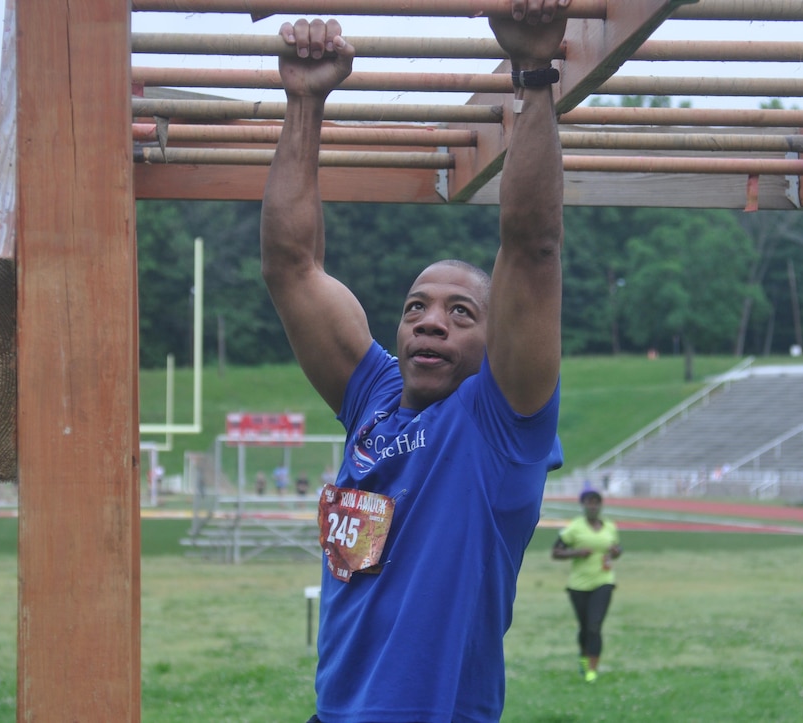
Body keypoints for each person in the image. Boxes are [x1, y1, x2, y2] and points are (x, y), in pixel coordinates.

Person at [259, 2, 569, 720]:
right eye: (415, 306)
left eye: (461, 313)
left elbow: (532, 247)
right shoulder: (373, 398)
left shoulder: (500, 423)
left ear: (498, 342)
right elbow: (291, 266)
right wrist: (304, 101)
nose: (430, 321)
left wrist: (534, 74)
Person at [552, 489, 622, 683]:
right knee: (584, 626)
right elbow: (556, 552)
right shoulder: (574, 528)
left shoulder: (610, 526)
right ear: (583, 505)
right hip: (579, 584)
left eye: (596, 503)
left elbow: (617, 548)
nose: (593, 506)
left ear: (601, 505)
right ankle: (583, 656)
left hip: (604, 580)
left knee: (594, 626)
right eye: (589, 503)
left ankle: (592, 669)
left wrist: (616, 552)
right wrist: (577, 553)